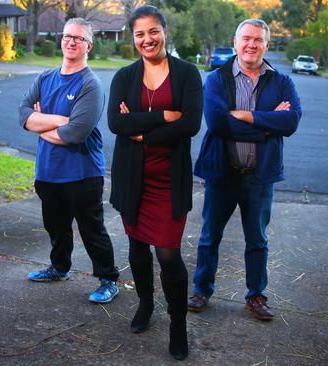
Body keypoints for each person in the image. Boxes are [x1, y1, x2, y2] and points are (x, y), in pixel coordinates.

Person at [189, 19, 302, 321]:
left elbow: (290, 122)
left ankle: (255, 296)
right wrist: (267, 124)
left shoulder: (281, 82)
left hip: (259, 177)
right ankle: (202, 290)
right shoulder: (216, 79)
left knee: (257, 240)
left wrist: (247, 116)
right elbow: (218, 122)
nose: (252, 44)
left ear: (267, 44)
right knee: (209, 237)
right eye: (246, 38)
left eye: (258, 40)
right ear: (236, 41)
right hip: (221, 175)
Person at [107, 5, 202, 361]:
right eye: (139, 34)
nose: (147, 40)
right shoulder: (124, 77)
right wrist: (162, 116)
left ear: (164, 31)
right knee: (136, 248)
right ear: (134, 39)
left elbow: (190, 124)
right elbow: (116, 123)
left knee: (168, 254)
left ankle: (178, 325)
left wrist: (143, 132)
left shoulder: (187, 74)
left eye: (153, 31)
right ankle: (145, 305)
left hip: (168, 181)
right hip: (133, 178)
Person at [19, 18, 119, 304]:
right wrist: (56, 122)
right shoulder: (44, 78)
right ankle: (60, 267)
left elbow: (75, 133)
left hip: (83, 172)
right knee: (55, 226)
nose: (71, 41)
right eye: (67, 36)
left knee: (92, 230)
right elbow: (22, 115)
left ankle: (108, 279)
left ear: (88, 45)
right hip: (48, 171)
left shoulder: (91, 84)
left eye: (78, 38)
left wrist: (39, 124)